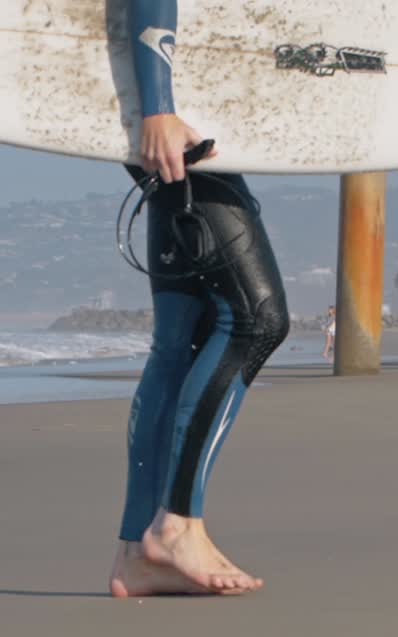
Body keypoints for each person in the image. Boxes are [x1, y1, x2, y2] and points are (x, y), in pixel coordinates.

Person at [110, 0, 289, 598]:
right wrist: (160, 108)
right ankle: (178, 524)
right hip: (172, 120)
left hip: (148, 107)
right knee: (256, 321)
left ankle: (138, 551)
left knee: (182, 341)